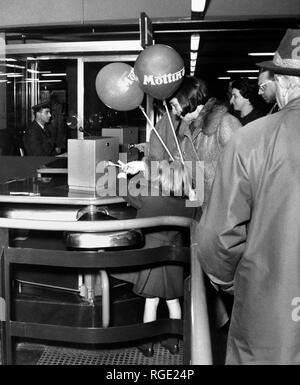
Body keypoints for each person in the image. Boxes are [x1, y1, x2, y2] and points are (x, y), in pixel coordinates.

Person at [197, 28, 300, 365]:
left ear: (284, 83)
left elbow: (217, 238)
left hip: (273, 315)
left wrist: (230, 283)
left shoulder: (253, 139)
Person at [112, 160, 199, 357]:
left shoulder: (149, 196)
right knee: (173, 301)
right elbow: (198, 207)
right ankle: (174, 342)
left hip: (151, 255)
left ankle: (146, 343)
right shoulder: (187, 204)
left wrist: (120, 174)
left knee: (151, 301)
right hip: (174, 257)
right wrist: (193, 192)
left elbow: (120, 189)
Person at [149, 75, 242, 205]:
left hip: (225, 210)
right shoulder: (187, 129)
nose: (174, 113)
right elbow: (176, 162)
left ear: (188, 100)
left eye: (175, 106)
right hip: (199, 208)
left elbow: (244, 172)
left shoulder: (226, 123)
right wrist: (143, 166)